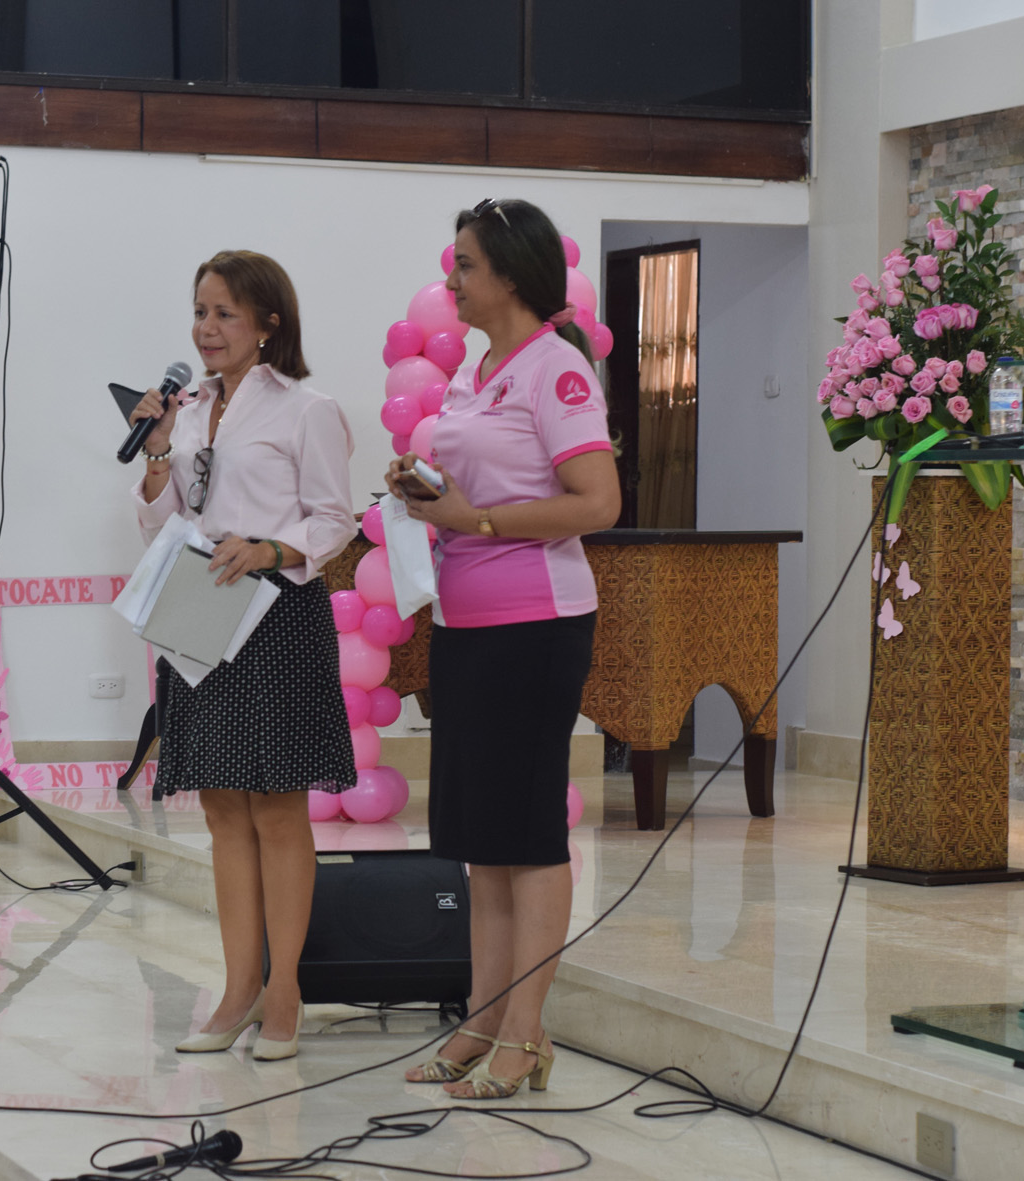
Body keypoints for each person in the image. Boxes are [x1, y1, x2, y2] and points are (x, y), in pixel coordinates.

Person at [387, 199, 620, 1099]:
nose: (451, 280)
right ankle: (481, 1020)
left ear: (513, 275)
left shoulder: (557, 368)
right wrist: (424, 488)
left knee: (526, 833)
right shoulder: (476, 369)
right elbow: (476, 482)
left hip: (536, 625)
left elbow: (597, 502)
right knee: (481, 839)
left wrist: (476, 518)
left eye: (466, 265)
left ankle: (526, 1032)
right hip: (465, 622)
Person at [127, 250, 358, 1062]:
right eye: (200, 310)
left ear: (268, 324)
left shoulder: (307, 408)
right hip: (200, 608)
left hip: (277, 613)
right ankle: (237, 988)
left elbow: (334, 519)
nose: (207, 327)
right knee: (223, 808)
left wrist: (270, 548)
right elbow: (160, 524)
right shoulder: (189, 410)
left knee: (275, 806)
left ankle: (284, 989)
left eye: (225, 312)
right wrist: (159, 450)